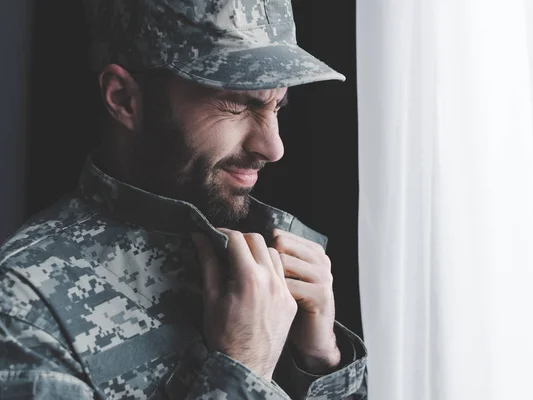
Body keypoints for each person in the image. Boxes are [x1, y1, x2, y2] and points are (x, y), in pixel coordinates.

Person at [0, 0, 367, 399]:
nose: (273, 146)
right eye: (237, 105)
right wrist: (245, 367)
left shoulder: (281, 262)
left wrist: (318, 364)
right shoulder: (24, 309)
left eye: (278, 105)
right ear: (124, 98)